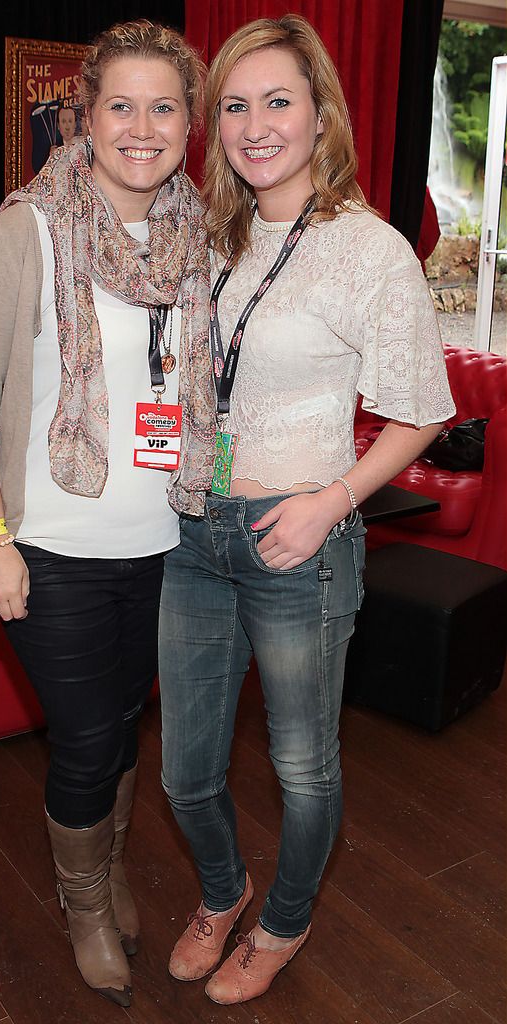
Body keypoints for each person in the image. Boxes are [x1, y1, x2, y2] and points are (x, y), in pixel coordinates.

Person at [158, 14, 455, 1007]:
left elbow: (420, 411)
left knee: (300, 768)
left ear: (318, 111)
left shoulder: (367, 250)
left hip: (300, 539)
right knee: (182, 772)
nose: (252, 124)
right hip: (194, 532)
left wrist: (327, 502)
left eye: (275, 100)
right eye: (233, 105)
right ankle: (221, 889)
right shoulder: (208, 236)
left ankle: (281, 921)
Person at [0, 19, 213, 1008]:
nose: (141, 126)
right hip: (47, 546)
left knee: (125, 727)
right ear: (84, 116)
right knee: (90, 736)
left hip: (164, 543)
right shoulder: (24, 231)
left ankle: (108, 871)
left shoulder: (194, 237)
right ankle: (86, 900)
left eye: (163, 105)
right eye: (120, 105)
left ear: (188, 120)